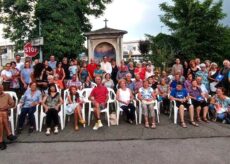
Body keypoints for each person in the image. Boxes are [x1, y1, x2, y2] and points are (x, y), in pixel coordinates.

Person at [0, 84, 17, 150]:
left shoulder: (7, 95)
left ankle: (1, 140)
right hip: (2, 112)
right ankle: (9, 134)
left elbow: (13, 104)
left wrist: (8, 106)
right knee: (2, 115)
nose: (0, 90)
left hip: (5, 112)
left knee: (1, 118)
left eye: (1, 89)